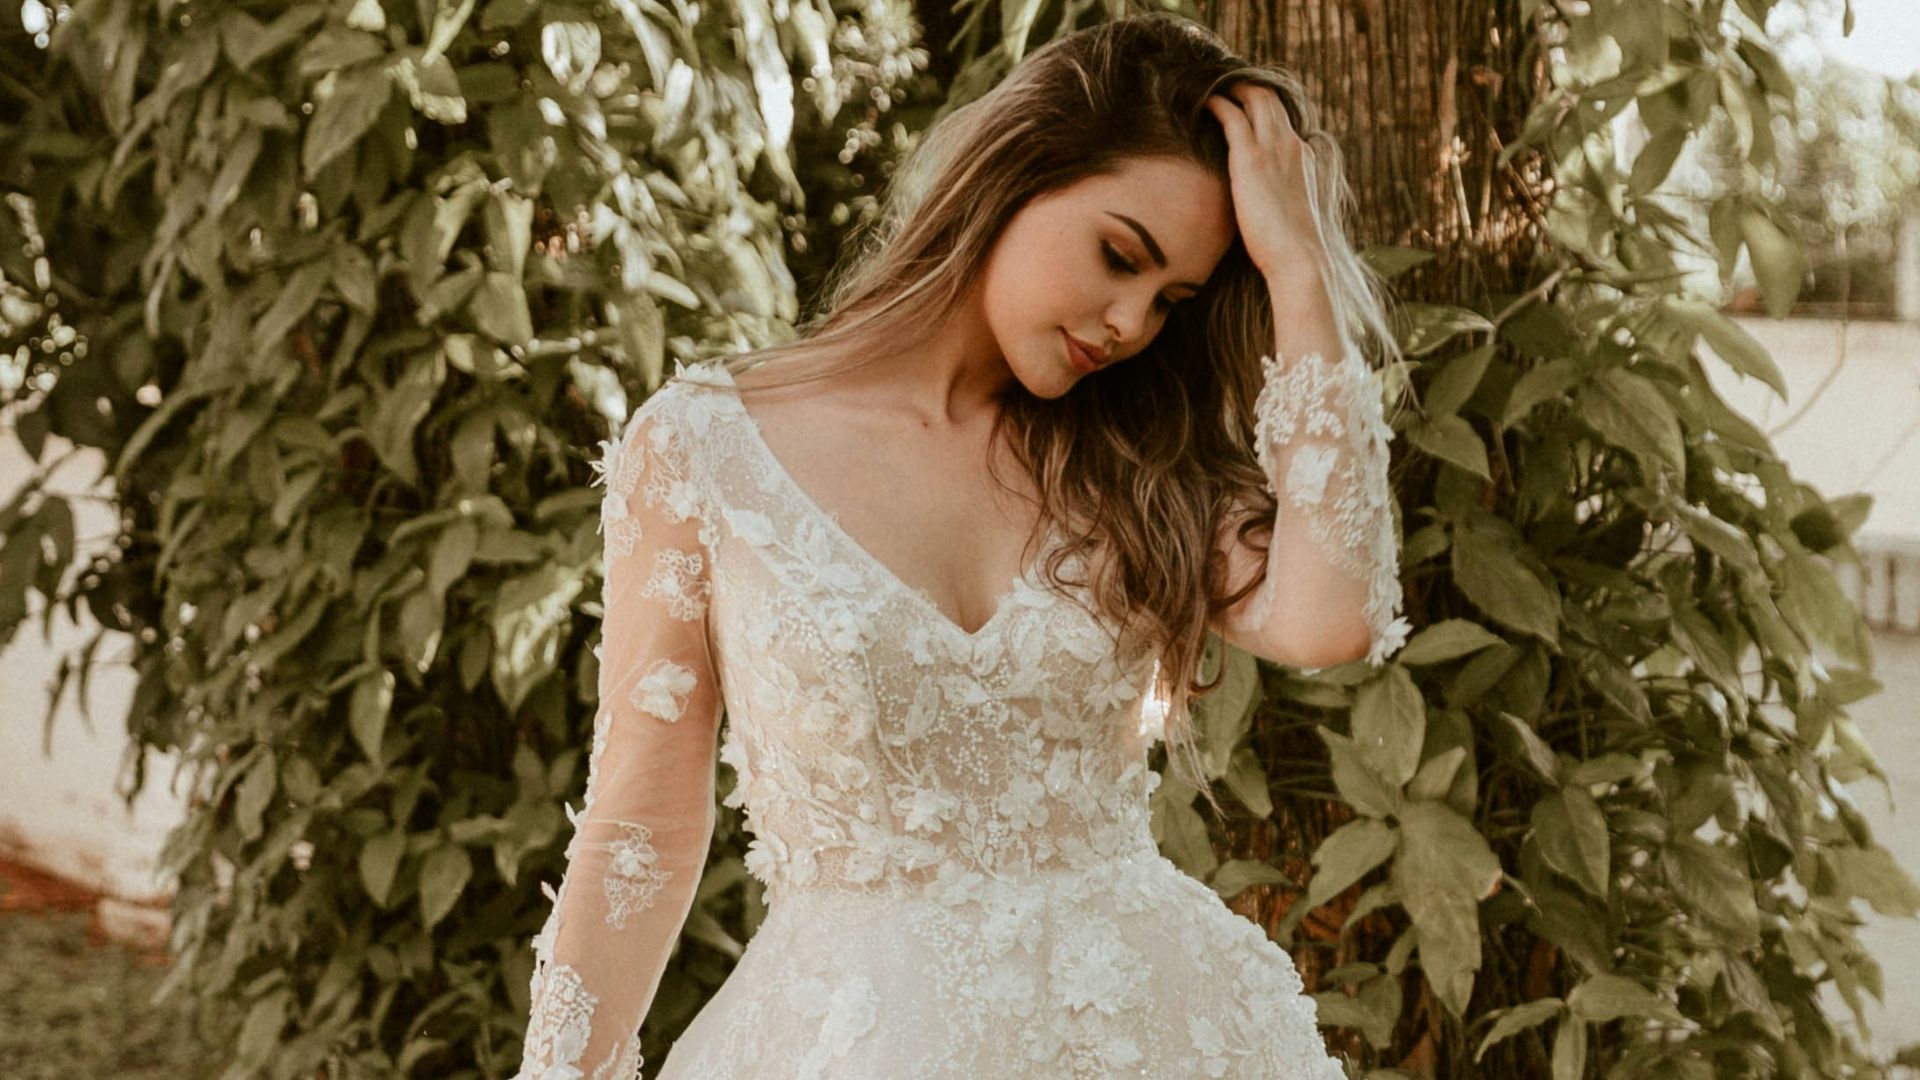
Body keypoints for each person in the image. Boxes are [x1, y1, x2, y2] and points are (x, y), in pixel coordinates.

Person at [514, 11, 1413, 1078]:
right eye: (1118, 256)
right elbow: (642, 827)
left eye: (1170, 299)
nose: (1129, 322)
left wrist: (1301, 274)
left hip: (1152, 1035)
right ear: (1016, 176)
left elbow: (1333, 616)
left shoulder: (1141, 464)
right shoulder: (708, 449)